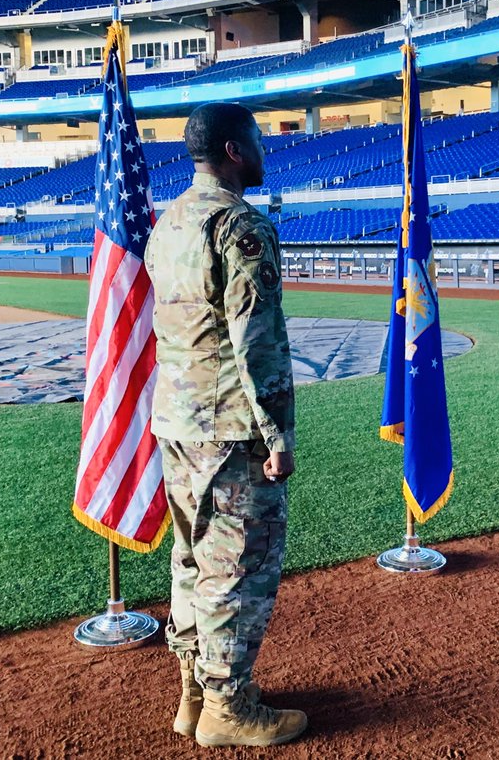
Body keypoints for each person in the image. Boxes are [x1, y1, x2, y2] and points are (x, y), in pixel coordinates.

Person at [144, 101, 306, 747]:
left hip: (178, 419)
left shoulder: (171, 219)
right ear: (236, 150)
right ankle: (228, 706)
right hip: (229, 424)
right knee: (237, 566)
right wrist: (278, 432)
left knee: (191, 559)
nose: (265, 151)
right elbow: (256, 340)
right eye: (259, 141)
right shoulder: (239, 225)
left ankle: (193, 690)